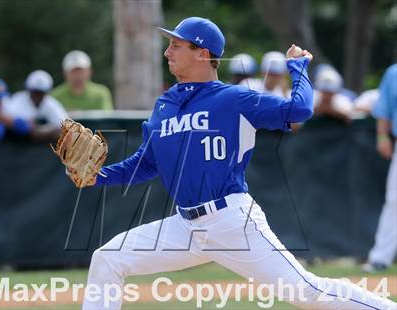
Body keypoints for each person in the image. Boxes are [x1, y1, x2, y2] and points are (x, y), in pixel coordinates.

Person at [81, 17, 395, 309]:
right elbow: (146, 164)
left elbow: (299, 110)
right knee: (108, 258)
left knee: (308, 292)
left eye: (176, 45)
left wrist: (298, 68)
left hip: (231, 222)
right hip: (184, 226)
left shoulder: (234, 99)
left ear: (202, 53)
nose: (167, 52)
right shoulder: (165, 105)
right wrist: (98, 176)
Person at [363, 63, 397, 273]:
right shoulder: (394, 72)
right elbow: (384, 107)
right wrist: (382, 135)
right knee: (394, 201)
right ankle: (380, 258)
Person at [7, 70, 68, 141]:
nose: (37, 96)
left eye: (41, 93)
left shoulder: (49, 103)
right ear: (29, 90)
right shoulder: (18, 100)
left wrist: (40, 130)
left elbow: (65, 126)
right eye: (35, 92)